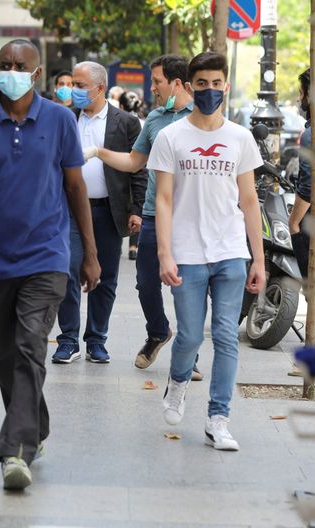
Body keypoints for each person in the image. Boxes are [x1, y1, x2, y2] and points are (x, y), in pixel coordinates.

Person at [0, 39, 100, 490]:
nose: (11, 71)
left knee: (32, 346)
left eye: (19, 66)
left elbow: (75, 189)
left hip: (47, 255)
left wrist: (89, 253)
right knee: (9, 356)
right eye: (4, 65)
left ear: (35, 73)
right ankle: (36, 425)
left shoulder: (58, 119)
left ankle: (15, 451)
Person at [150, 51, 265, 450]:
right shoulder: (171, 136)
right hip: (187, 252)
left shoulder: (240, 138)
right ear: (189, 87)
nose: (210, 90)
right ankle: (178, 383)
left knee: (226, 337)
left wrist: (258, 260)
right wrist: (165, 253)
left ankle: (219, 418)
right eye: (202, 84)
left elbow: (250, 201)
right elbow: (163, 200)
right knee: (188, 337)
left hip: (231, 251)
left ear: (226, 86)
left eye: (217, 83)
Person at [90, 54, 202, 380]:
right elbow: (133, 162)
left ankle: (188, 355)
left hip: (191, 218)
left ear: (177, 83)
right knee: (145, 285)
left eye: (157, 81)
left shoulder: (202, 117)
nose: (152, 87)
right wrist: (99, 153)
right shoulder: (154, 119)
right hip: (154, 215)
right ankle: (158, 331)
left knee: (187, 289)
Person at [50, 62, 147, 365]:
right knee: (67, 270)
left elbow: (137, 170)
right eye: (72, 85)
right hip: (68, 212)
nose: (74, 91)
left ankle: (96, 340)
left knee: (105, 277)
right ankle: (68, 339)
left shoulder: (126, 123)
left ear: (100, 88)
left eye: (80, 85)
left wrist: (136, 209)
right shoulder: (65, 118)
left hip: (107, 211)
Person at [289, 66, 315, 346]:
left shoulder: (314, 134)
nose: (300, 97)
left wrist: (293, 222)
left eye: (302, 92)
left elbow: (307, 187)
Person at [119, 90, 145, 261]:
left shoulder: (119, 122)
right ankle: (133, 245)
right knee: (137, 207)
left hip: (123, 170)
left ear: (121, 106)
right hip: (141, 171)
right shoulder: (144, 122)